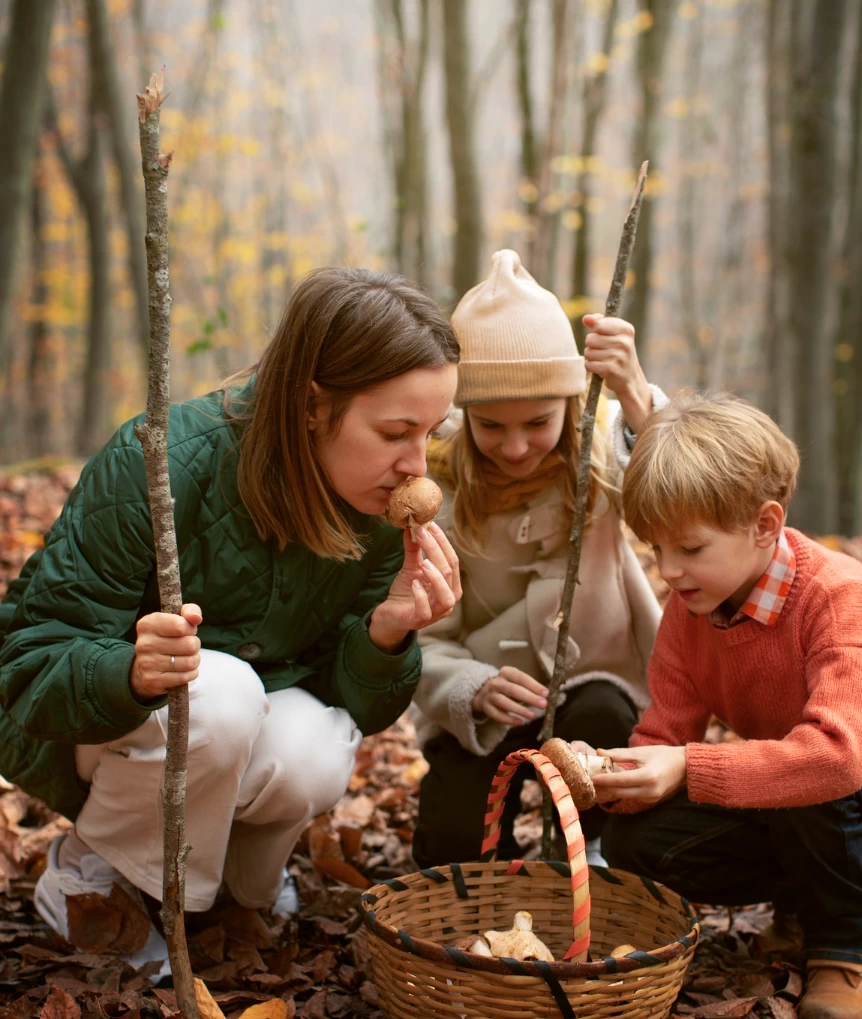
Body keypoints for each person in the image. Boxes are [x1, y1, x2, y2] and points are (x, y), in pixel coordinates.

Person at [0, 267, 463, 979]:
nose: (415, 466)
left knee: (313, 743)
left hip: (222, 733)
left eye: (431, 433)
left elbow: (357, 709)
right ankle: (88, 873)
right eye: (397, 432)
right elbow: (26, 668)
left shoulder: (373, 512)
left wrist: (387, 632)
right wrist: (126, 669)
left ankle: (228, 890)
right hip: (106, 728)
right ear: (313, 405)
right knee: (221, 694)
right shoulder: (158, 461)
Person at [579, 391, 862, 1019]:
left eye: (691, 549)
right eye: (656, 550)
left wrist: (686, 766)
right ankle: (805, 885)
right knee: (632, 841)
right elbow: (666, 734)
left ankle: (844, 943)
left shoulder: (837, 596)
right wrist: (614, 779)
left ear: (764, 524)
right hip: (800, 775)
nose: (670, 571)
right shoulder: (691, 607)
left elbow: (838, 760)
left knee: (811, 785)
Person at [410, 249, 665, 867]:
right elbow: (423, 636)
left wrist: (635, 397)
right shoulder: (440, 486)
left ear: (570, 405)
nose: (516, 446)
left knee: (603, 716)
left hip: (593, 690)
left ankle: (596, 846)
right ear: (463, 415)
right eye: (490, 426)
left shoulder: (600, 451)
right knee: (453, 846)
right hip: (488, 700)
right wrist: (470, 687)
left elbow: (677, 497)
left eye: (538, 421)